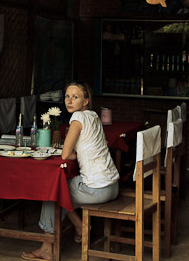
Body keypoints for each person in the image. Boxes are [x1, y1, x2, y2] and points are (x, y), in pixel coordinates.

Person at [22, 82, 120, 261]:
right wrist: (81, 154)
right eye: (67, 96)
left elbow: (66, 154)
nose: (69, 100)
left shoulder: (77, 118)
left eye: (75, 97)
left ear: (85, 101)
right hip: (112, 186)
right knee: (62, 189)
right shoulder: (93, 116)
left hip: (97, 189)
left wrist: (75, 154)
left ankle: (47, 248)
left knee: (52, 192)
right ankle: (80, 226)